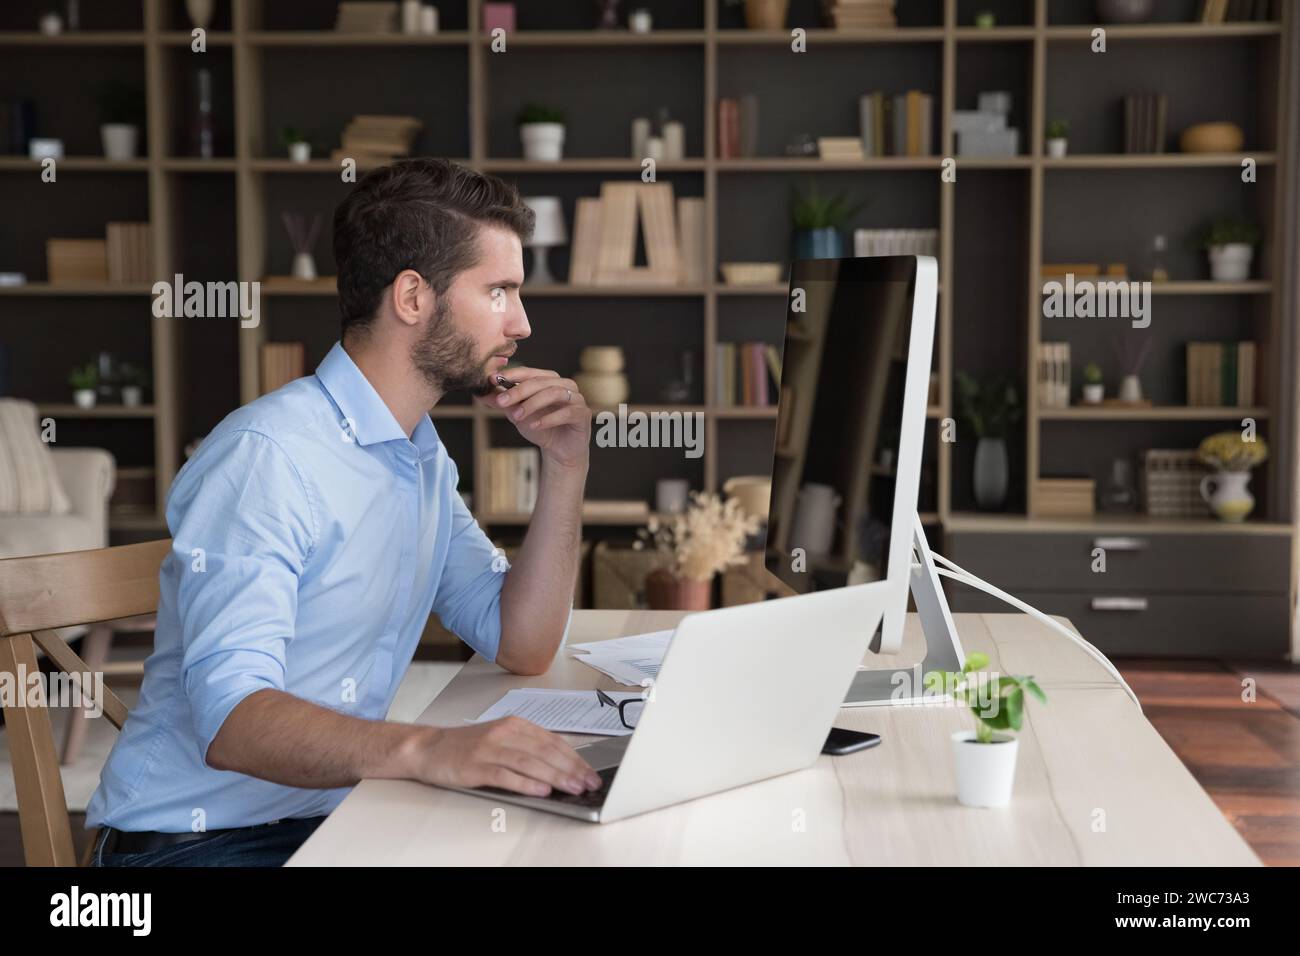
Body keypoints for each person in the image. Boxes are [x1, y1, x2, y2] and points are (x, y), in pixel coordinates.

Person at [87, 158, 599, 866]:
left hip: (332, 817)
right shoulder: (268, 457)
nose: (521, 321)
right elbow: (233, 719)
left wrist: (566, 466)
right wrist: (429, 748)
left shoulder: (416, 453)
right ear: (414, 297)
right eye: (500, 290)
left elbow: (522, 642)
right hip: (188, 846)